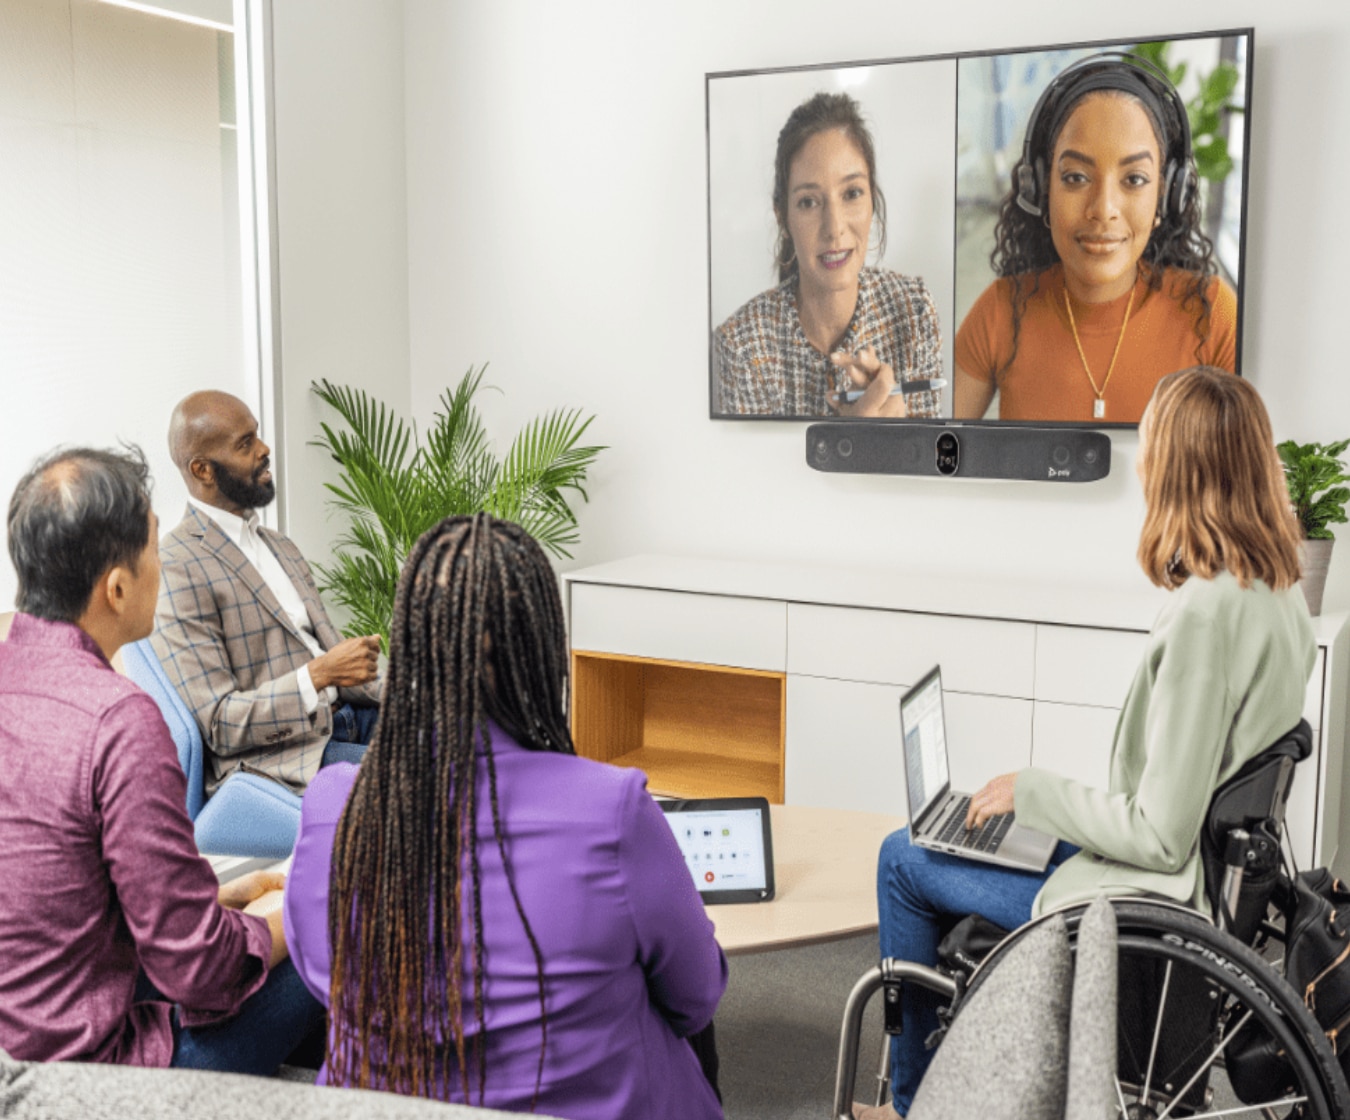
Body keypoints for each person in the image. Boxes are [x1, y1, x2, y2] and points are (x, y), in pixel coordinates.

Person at [856, 366, 1314, 1120]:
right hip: (1180, 872)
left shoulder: (1206, 613)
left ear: (1178, 467)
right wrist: (1047, 809)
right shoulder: (1277, 587)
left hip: (1151, 890)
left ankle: (915, 1104)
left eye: (1151, 449)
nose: (1140, 464)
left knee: (904, 859)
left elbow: (1160, 836)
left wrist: (1037, 793)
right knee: (981, 836)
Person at [283, 514, 728, 1118]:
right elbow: (696, 997)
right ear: (541, 649)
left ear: (412, 647)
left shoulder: (337, 806)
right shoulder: (612, 810)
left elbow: (321, 977)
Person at [0, 445, 322, 1072]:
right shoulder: (117, 720)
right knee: (343, 925)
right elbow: (201, 971)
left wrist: (220, 899)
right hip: (94, 1069)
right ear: (117, 588)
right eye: (153, 550)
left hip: (21, 1035)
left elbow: (64, 885)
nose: (162, 568)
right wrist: (301, 912)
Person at [953, 54, 1238, 423]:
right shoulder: (999, 312)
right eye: (1075, 177)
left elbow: (1249, 476)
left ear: (1167, 196)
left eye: (1134, 179)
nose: (1103, 209)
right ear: (1040, 189)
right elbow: (933, 463)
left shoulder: (1213, 317)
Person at [151, 390, 381, 796]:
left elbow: (342, 668)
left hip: (351, 717)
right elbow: (221, 723)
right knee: (432, 780)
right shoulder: (177, 566)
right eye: (245, 444)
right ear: (202, 470)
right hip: (285, 758)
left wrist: (427, 687)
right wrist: (319, 674)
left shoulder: (280, 546)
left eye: (256, 435)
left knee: (476, 739)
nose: (264, 449)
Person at [714, 91, 943, 418]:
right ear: (783, 217)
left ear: (872, 203)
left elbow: (932, 463)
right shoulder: (740, 347)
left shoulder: (913, 310)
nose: (834, 228)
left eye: (852, 193)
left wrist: (899, 440)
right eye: (808, 201)